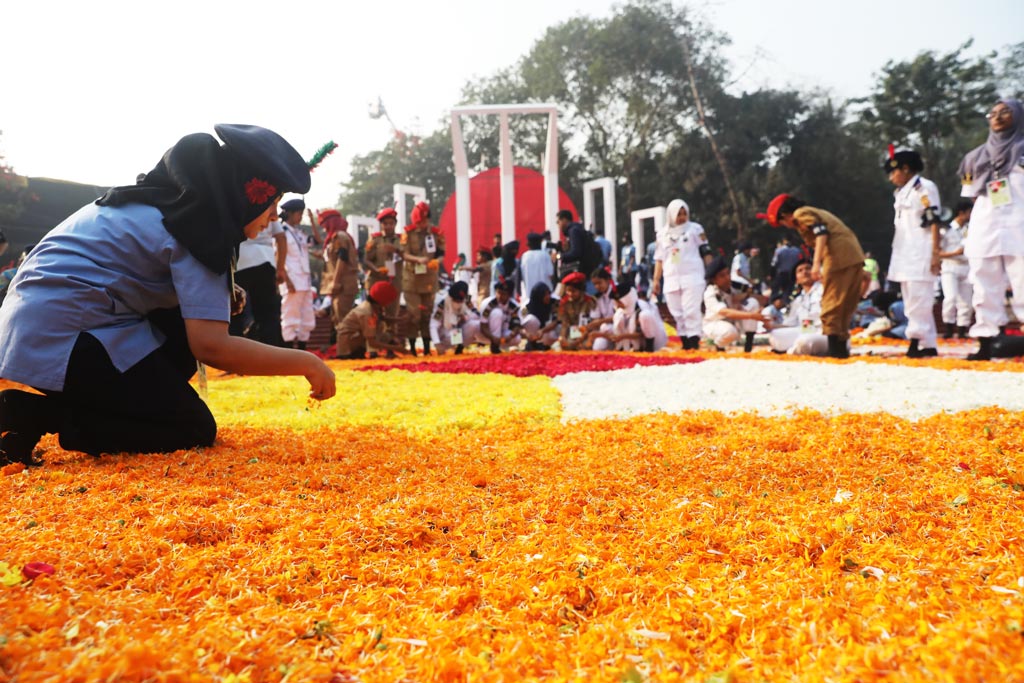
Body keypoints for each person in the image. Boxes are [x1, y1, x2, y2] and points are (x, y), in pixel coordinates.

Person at [0, 124, 336, 466]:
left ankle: (56, 410)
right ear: (248, 195)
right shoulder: (198, 229)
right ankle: (38, 415)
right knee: (190, 427)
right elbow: (211, 346)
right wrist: (306, 362)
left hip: (38, 325)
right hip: (62, 334)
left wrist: (218, 295)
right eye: (272, 202)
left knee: (188, 331)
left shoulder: (165, 206)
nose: (271, 216)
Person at [758, 194, 865, 359]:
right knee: (845, 305)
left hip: (837, 258)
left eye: (782, 222)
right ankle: (841, 349)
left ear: (785, 215)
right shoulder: (815, 211)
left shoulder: (801, 213)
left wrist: (816, 263)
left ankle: (835, 351)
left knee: (831, 304)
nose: (787, 226)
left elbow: (821, 233)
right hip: (853, 255)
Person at [957, 99, 1024, 361]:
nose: (997, 117)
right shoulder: (973, 158)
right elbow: (971, 195)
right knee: (983, 282)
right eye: (992, 113)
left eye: (1004, 112)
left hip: (1019, 223)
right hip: (985, 224)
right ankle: (986, 339)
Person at [885, 149, 942, 358]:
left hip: (921, 250)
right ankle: (928, 344)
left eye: (893, 172)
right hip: (903, 251)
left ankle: (915, 341)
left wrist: (936, 253)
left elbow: (933, 220)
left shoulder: (924, 188)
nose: (892, 178)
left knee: (919, 299)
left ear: (906, 169)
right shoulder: (901, 192)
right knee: (911, 299)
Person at [651, 199, 712, 350]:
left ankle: (693, 342)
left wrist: (711, 272)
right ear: (671, 215)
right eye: (679, 214)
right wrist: (656, 280)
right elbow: (659, 259)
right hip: (671, 278)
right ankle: (685, 342)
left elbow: (706, 251)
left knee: (691, 310)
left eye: (684, 214)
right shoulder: (662, 234)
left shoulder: (695, 229)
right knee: (677, 312)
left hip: (693, 276)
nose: (682, 217)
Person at [232, 207, 286, 346]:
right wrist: (280, 268)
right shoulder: (266, 203)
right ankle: (271, 356)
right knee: (267, 314)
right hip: (264, 260)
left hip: (241, 262)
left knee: (235, 312)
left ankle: (236, 357)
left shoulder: (236, 199)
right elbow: (281, 237)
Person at [400, 201, 444, 356]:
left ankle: (426, 347)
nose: (423, 225)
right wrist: (417, 259)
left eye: (425, 221)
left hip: (429, 280)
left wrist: (436, 262)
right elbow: (403, 254)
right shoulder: (408, 233)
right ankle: (412, 347)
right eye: (420, 222)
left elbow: (441, 253)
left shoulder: (436, 233)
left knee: (426, 314)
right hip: (412, 280)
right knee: (414, 315)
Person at [278, 198, 320, 350]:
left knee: (307, 317)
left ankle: (302, 349)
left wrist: (312, 221)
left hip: (305, 280)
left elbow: (317, 241)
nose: (300, 217)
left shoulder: (300, 233)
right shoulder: (281, 232)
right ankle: (288, 350)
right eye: (299, 214)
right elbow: (279, 257)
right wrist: (286, 280)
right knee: (290, 316)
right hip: (292, 279)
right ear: (290, 213)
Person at [703, 256, 766, 352]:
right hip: (715, 324)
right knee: (729, 331)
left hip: (734, 321)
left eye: (728, 273)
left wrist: (747, 295)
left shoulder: (735, 286)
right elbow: (726, 312)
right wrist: (752, 315)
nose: (727, 278)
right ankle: (717, 346)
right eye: (722, 276)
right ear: (714, 280)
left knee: (752, 303)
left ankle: (748, 347)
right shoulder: (711, 292)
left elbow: (762, 300)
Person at [768, 261, 828, 356]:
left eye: (808, 268)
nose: (804, 272)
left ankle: (791, 351)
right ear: (797, 280)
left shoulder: (825, 290)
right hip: (807, 329)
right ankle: (795, 349)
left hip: (826, 331)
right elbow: (791, 324)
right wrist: (771, 325)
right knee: (775, 335)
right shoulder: (798, 300)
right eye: (800, 270)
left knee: (804, 341)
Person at [335, 281, 405, 359]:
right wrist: (396, 348)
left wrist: (401, 319)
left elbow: (382, 318)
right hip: (348, 349)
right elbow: (372, 343)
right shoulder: (367, 313)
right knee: (381, 334)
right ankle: (372, 353)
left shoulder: (370, 305)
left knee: (387, 335)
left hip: (355, 341)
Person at [317, 209, 359, 336]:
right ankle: (341, 349)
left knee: (344, 319)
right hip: (340, 285)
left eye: (324, 225)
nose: (324, 229)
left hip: (343, 284)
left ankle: (348, 351)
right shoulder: (335, 237)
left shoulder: (339, 236)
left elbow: (342, 258)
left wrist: (335, 282)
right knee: (337, 318)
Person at [938, 199, 974, 339]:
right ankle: (948, 328)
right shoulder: (946, 229)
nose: (971, 215)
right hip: (950, 265)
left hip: (966, 266)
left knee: (966, 301)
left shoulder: (970, 229)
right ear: (962, 212)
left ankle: (961, 330)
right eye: (969, 212)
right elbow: (937, 252)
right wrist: (954, 253)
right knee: (950, 297)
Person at [609, 278, 667, 352]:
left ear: (627, 299)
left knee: (645, 315)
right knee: (617, 316)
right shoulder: (621, 311)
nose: (617, 305)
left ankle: (649, 348)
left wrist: (622, 336)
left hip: (655, 339)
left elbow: (641, 333)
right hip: (635, 343)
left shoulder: (641, 306)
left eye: (619, 302)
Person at [556, 210, 603, 290]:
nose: (558, 225)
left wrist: (559, 256)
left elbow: (576, 253)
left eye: (558, 221)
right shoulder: (577, 229)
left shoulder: (573, 231)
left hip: (586, 273)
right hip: (590, 270)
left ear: (564, 220)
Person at [429, 281, 480, 355]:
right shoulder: (442, 302)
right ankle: (450, 346)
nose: (459, 302)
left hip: (460, 329)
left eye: (461, 300)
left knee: (475, 325)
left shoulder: (467, 299)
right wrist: (437, 343)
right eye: (456, 300)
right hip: (445, 333)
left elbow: (476, 315)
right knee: (455, 333)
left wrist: (465, 317)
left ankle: (459, 349)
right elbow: (433, 325)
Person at [478, 277, 522, 354]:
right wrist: (493, 338)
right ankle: (494, 347)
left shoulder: (514, 306)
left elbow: (517, 325)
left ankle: (500, 346)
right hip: (488, 335)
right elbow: (483, 326)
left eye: (503, 294)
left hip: (502, 335)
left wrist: (511, 336)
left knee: (517, 338)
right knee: (497, 313)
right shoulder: (489, 304)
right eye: (498, 292)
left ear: (509, 295)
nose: (500, 296)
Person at [557, 271, 598, 351]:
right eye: (568, 291)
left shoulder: (590, 302)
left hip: (588, 333)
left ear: (581, 290)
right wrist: (563, 338)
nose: (570, 294)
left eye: (573, 291)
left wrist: (579, 340)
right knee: (563, 346)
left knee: (585, 347)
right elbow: (565, 324)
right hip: (573, 333)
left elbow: (592, 324)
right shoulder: (564, 303)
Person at [520, 282, 560, 350]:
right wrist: (526, 334)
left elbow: (556, 321)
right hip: (534, 332)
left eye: (548, 293)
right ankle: (532, 343)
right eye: (545, 295)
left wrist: (542, 330)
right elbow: (520, 325)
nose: (548, 297)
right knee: (530, 320)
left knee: (559, 327)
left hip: (547, 330)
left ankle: (547, 344)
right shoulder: (526, 306)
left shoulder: (554, 301)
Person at [588, 267, 618, 350]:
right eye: (594, 284)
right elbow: (595, 319)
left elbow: (621, 316)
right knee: (598, 347)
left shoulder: (618, 292)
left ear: (608, 280)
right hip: (605, 331)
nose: (597, 286)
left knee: (605, 327)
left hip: (621, 328)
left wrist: (601, 322)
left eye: (599, 283)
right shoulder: (597, 298)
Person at [519, 232, 554, 298]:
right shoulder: (545, 255)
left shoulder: (524, 256)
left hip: (529, 295)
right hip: (545, 295)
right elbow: (551, 274)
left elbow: (520, 276)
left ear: (528, 244)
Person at [771, 237, 802, 301]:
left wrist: (772, 274)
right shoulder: (797, 251)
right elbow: (800, 262)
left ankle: (774, 302)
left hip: (782, 274)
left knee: (776, 290)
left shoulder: (779, 250)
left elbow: (774, 263)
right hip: (792, 274)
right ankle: (786, 302)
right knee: (789, 290)